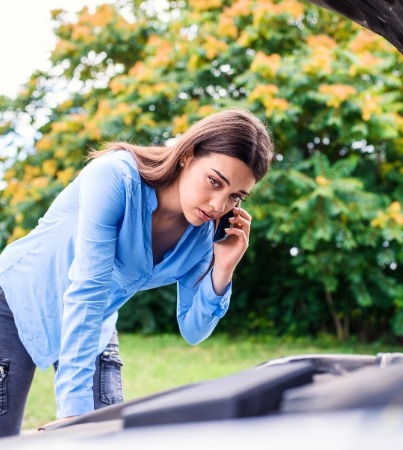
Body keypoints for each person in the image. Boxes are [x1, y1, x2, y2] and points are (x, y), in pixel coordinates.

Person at [0, 108, 274, 436]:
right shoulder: (115, 177)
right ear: (188, 154)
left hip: (94, 321)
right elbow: (89, 287)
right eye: (214, 181)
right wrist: (74, 413)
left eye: (235, 197)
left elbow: (193, 329)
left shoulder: (205, 233)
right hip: (16, 304)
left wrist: (224, 268)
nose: (218, 205)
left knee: (108, 438)